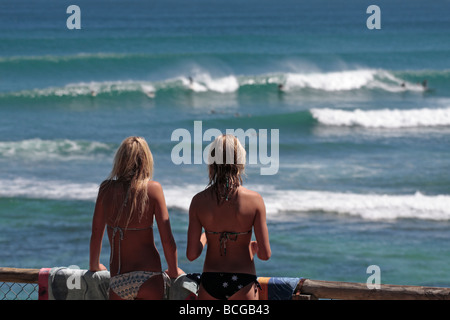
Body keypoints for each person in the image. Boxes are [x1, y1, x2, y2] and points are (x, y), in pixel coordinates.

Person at [89, 136, 183, 300]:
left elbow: (96, 233)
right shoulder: (153, 189)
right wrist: (173, 270)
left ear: (120, 160)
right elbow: (167, 239)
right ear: (146, 160)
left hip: (119, 278)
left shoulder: (106, 189)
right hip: (149, 277)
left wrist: (94, 265)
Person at [186, 134, 271, 300]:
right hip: (243, 282)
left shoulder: (198, 201)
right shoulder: (255, 200)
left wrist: (206, 237)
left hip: (210, 281)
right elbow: (265, 255)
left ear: (212, 162)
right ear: (240, 162)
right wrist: (251, 246)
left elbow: (191, 255)